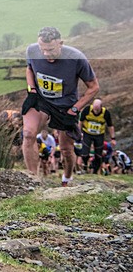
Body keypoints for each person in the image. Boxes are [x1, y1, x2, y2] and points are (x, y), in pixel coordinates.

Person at [21, 27, 100, 186]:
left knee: (65, 148)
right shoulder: (32, 50)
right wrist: (32, 91)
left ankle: (67, 177)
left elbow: (94, 87)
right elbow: (29, 68)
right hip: (42, 101)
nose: (46, 54)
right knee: (28, 134)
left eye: (50, 50)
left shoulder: (76, 58)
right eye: (43, 50)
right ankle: (33, 180)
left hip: (66, 106)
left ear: (60, 44)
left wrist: (75, 110)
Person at [79, 98, 117, 174]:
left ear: (101, 107)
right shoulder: (87, 110)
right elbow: (80, 121)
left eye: (97, 109)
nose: (95, 111)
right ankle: (85, 166)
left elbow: (110, 126)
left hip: (99, 135)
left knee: (98, 155)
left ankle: (95, 171)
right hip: (87, 133)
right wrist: (79, 132)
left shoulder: (105, 113)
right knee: (85, 153)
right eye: (94, 109)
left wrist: (113, 138)